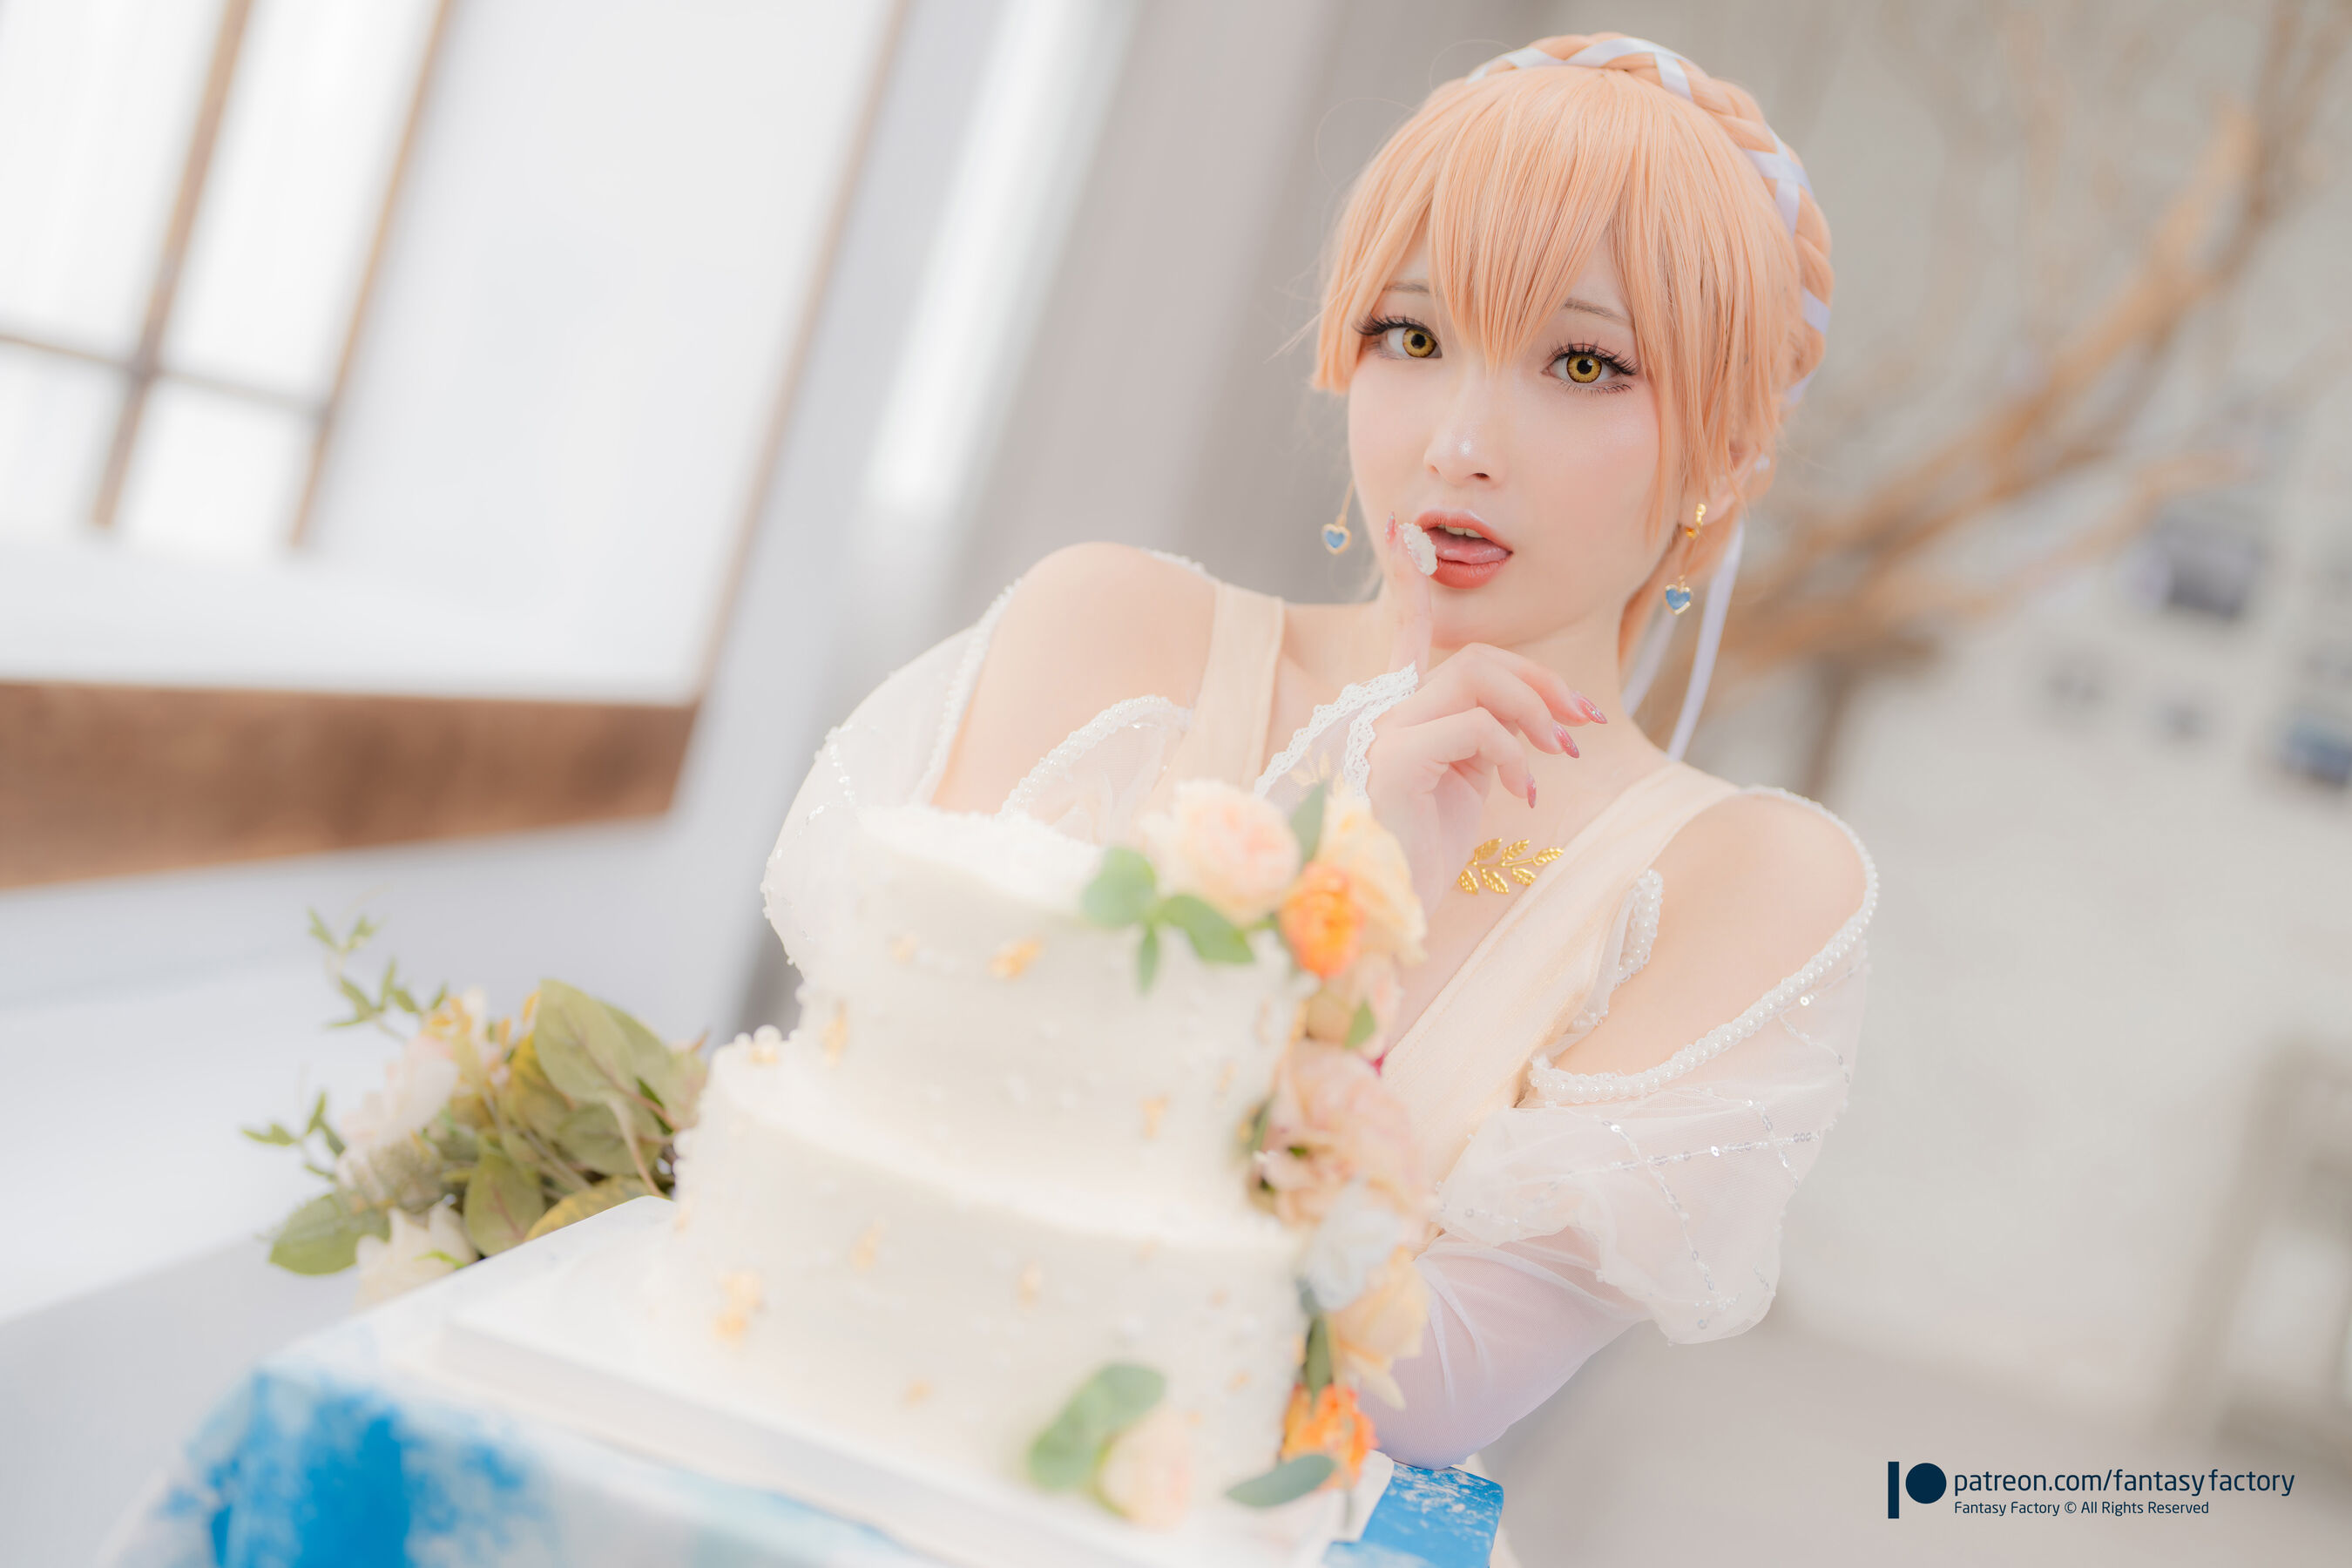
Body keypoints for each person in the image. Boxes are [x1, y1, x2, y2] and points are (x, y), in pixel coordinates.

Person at [767, 33, 1871, 1481]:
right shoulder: (1116, 644)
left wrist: (1341, 953)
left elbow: (1414, 1392)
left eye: (1583, 362)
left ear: (1727, 452)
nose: (1461, 441)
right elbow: (890, 1107)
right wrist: (1334, 866)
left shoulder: (1743, 886)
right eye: (1413, 337)